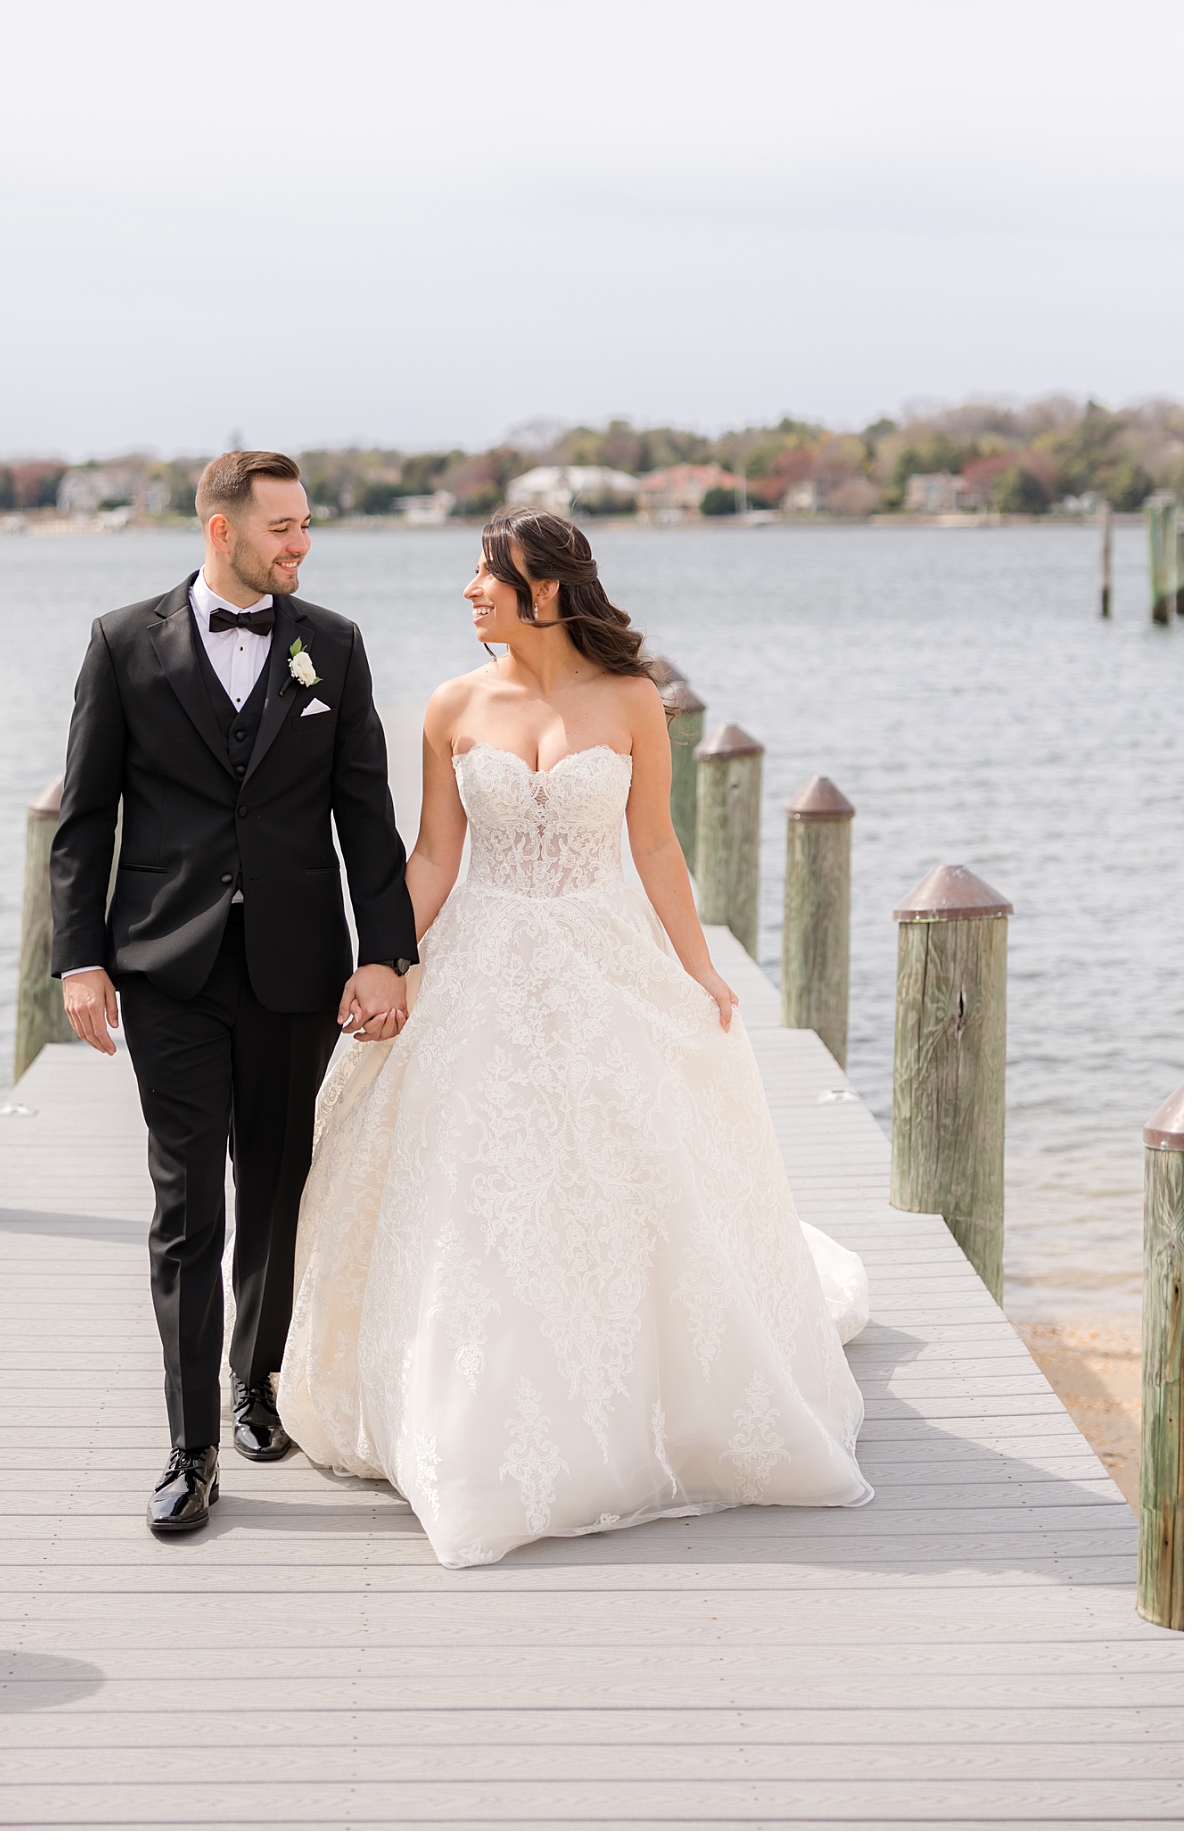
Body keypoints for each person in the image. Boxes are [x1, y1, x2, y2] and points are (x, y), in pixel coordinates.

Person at [278, 506, 872, 1568]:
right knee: (481, 1185)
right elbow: (431, 860)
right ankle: (482, 1417)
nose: (467, 590)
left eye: (485, 574)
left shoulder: (634, 699)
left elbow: (653, 845)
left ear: (543, 590)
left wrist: (697, 968)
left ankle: (635, 1394)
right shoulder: (453, 705)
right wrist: (380, 960)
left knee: (619, 1173)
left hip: (606, 960)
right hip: (481, 965)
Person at [51, 450, 417, 1536]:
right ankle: (189, 1449)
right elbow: (86, 819)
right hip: (167, 966)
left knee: (275, 1187)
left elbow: (366, 817)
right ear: (223, 531)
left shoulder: (333, 648)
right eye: (283, 528)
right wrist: (78, 959)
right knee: (184, 1210)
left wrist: (384, 952)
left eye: (304, 526)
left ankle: (256, 1383)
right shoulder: (123, 643)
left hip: (297, 968)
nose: (300, 545)